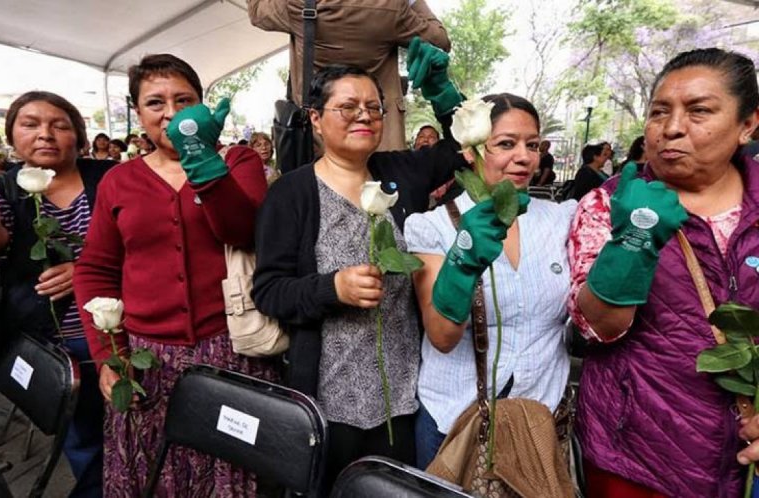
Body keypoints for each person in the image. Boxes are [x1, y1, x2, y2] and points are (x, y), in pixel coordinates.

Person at [252, 64, 470, 491]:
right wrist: (332, 288)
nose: (364, 116)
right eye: (348, 107)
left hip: (403, 394)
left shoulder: (400, 173)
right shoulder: (291, 193)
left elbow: (466, 144)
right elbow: (268, 290)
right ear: (315, 118)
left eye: (374, 107)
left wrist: (444, 93)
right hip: (327, 395)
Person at [73, 54, 277, 497]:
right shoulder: (118, 181)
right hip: (147, 359)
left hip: (231, 349)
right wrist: (109, 354)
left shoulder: (238, 160)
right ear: (138, 113)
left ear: (203, 105)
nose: (171, 113)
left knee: (233, 473)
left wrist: (201, 158)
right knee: (154, 470)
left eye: (184, 100)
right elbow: (95, 269)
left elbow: (243, 231)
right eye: (155, 103)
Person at [569, 48, 759, 497]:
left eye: (699, 111)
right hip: (635, 457)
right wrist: (633, 241)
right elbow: (596, 326)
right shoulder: (607, 203)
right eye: (659, 112)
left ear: (747, 124)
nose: (672, 128)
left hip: (744, 455)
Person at [404, 93, 575, 469]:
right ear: (470, 151)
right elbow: (442, 336)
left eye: (532, 144)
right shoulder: (432, 227)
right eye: (506, 144)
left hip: (538, 422)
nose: (524, 156)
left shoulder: (562, 219)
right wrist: (462, 261)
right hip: (455, 420)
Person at [0, 92, 110, 498]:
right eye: (30, 124)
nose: (45, 134)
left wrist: (86, 273)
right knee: (83, 435)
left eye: (59, 125)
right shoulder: (4, 190)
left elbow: (148, 244)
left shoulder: (109, 178)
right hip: (51, 342)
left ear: (78, 136)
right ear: (11, 136)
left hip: (116, 330)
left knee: (131, 427)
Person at [247, 0, 451, 151]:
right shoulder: (392, 7)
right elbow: (440, 39)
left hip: (321, 139)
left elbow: (257, 11)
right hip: (382, 138)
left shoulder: (297, 4)